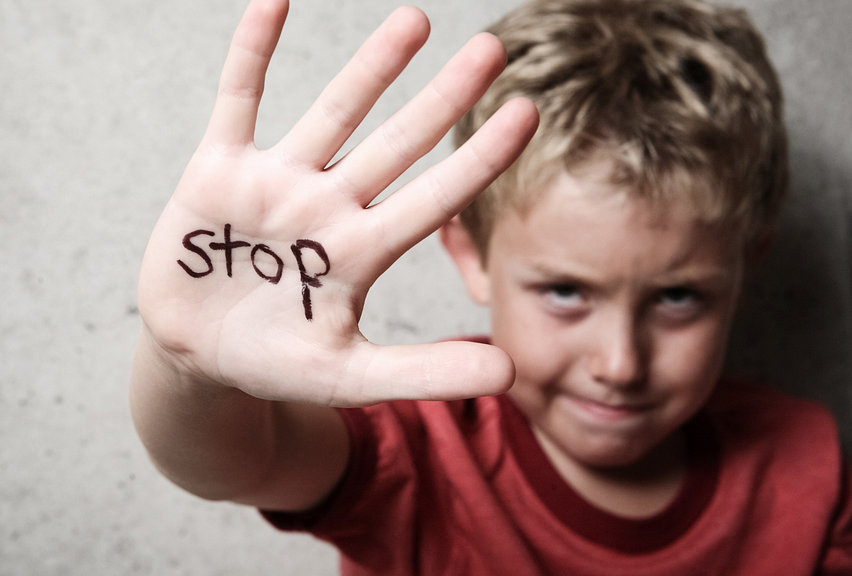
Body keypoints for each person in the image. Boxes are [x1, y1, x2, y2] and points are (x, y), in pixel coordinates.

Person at [130, 0, 852, 573]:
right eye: (566, 291)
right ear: (471, 255)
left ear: (746, 269)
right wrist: (186, 364)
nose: (619, 363)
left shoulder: (807, 467)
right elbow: (237, 460)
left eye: (677, 297)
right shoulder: (425, 446)